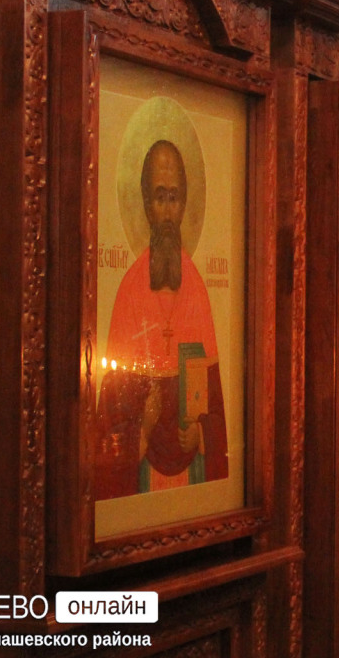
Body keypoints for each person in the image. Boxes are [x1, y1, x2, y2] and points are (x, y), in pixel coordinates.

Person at [94, 139, 229, 501]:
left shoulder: (197, 289)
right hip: (143, 478)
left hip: (192, 478)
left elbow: (215, 407)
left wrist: (201, 435)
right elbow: (110, 418)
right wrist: (142, 428)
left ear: (183, 204)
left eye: (174, 197)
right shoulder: (129, 290)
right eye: (159, 197)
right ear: (146, 205)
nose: (168, 211)